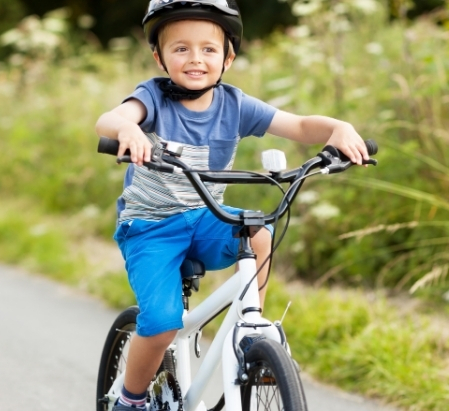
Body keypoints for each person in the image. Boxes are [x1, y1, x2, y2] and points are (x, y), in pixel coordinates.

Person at [94, 0, 369, 409]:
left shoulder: (235, 104)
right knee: (162, 323)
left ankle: (251, 324)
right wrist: (129, 131)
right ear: (159, 56)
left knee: (259, 232)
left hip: (205, 218)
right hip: (150, 227)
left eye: (208, 49)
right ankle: (130, 400)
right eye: (181, 48)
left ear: (228, 56)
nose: (195, 59)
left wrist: (337, 128)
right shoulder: (152, 97)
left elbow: (297, 126)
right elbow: (109, 120)